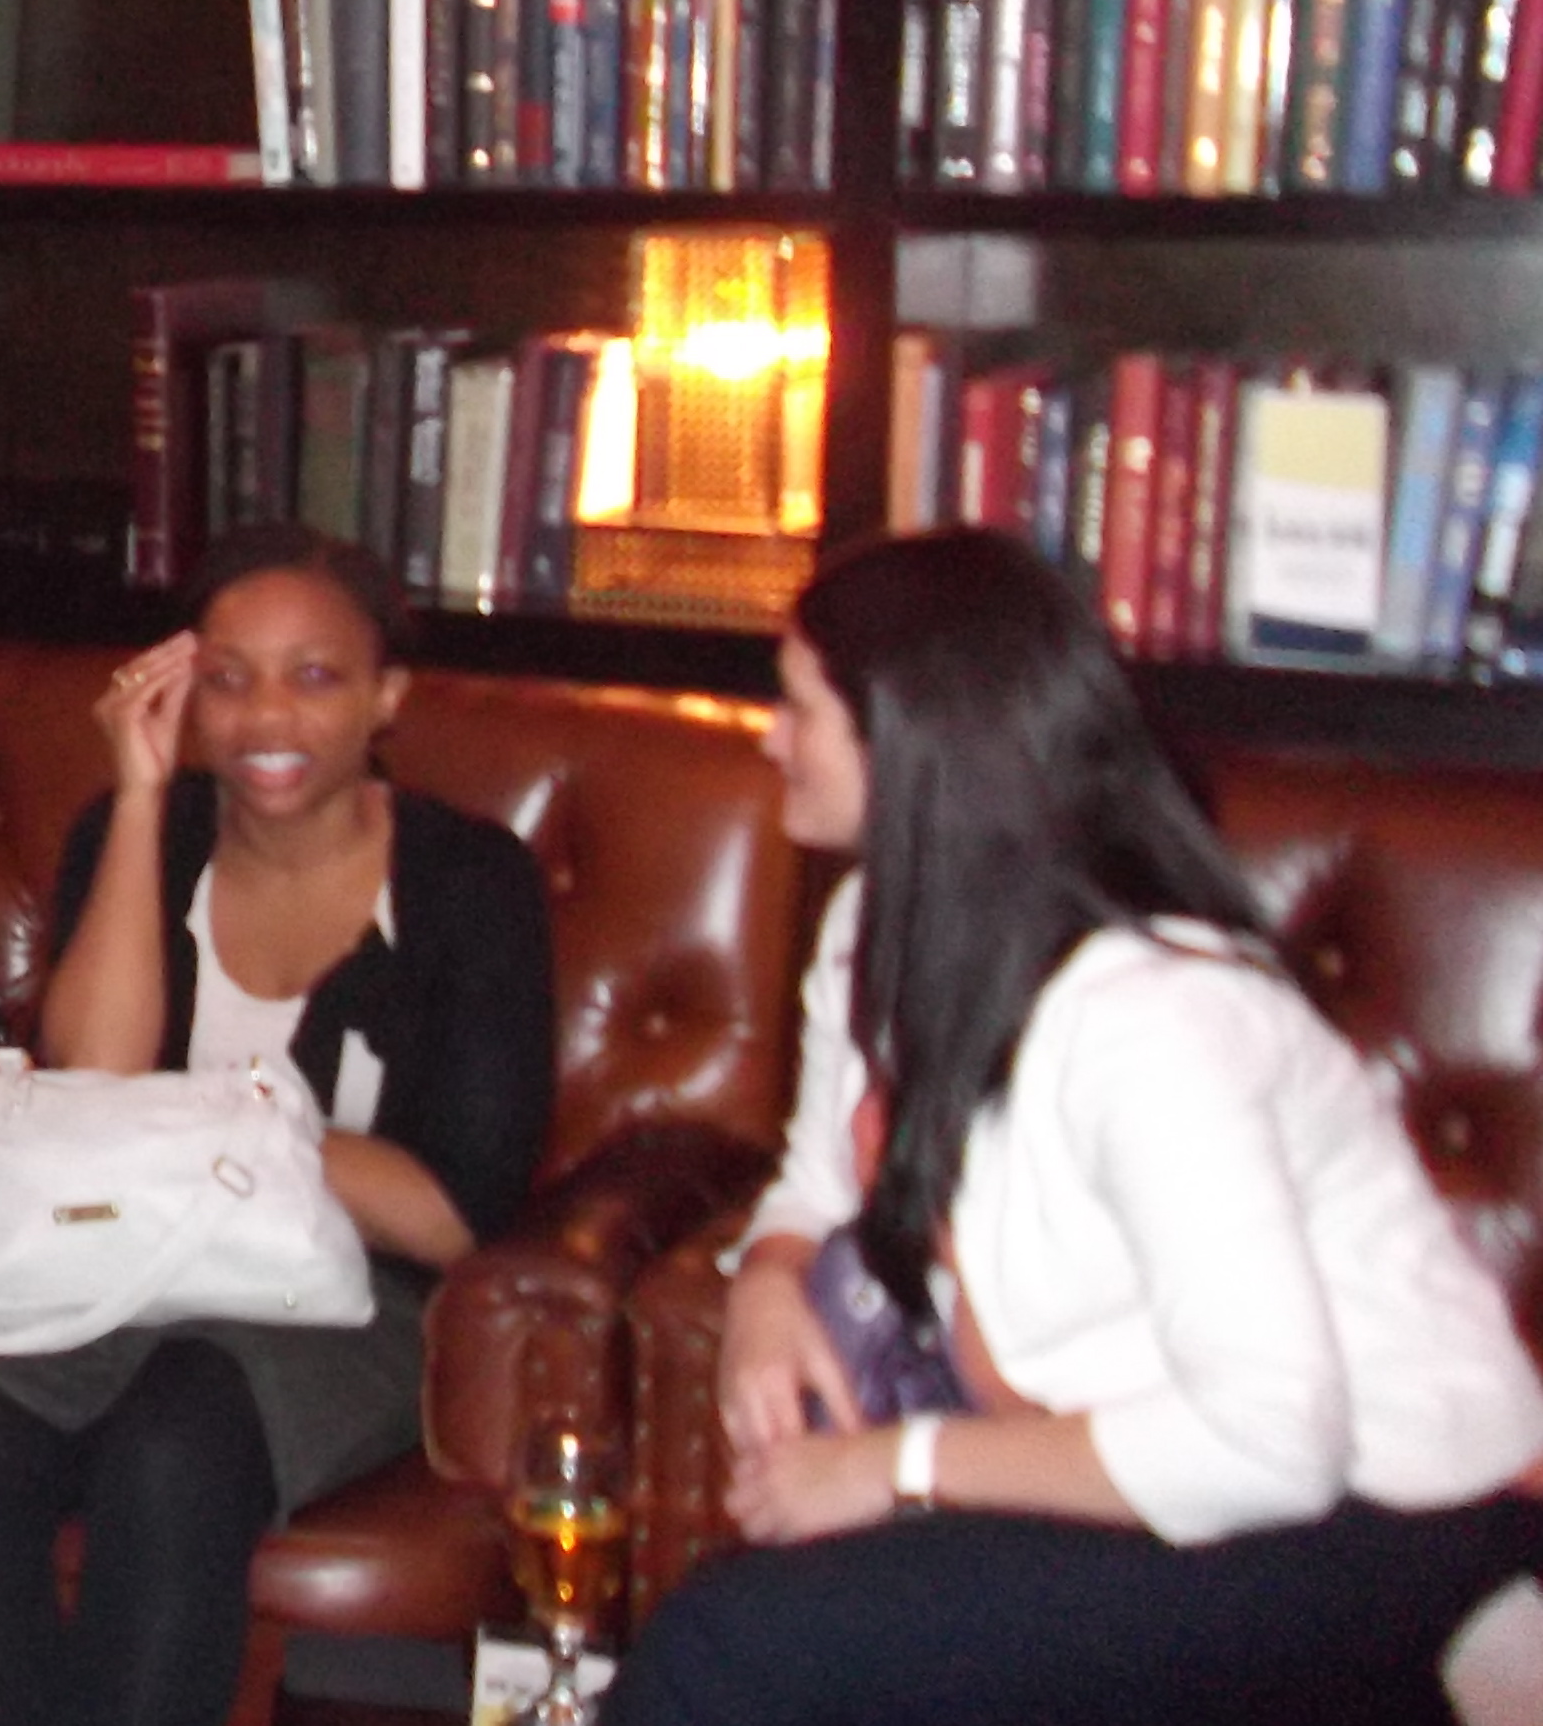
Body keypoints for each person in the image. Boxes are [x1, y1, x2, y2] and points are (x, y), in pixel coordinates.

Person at [620, 529, 1543, 1725]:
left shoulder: (1149, 1021)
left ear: (913, 741)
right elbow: (814, 1183)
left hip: (1380, 1506)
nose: (768, 738)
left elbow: (1272, 1440)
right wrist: (767, 1284)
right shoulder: (873, 927)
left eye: (796, 708)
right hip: (1145, 1465)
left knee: (732, 1647)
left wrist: (893, 1467)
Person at [0, 522, 556, 1726]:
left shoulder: (469, 882)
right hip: (111, 1259)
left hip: (347, 1298)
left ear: (386, 696)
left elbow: (449, 1214)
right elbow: (93, 1080)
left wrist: (221, 1136)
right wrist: (144, 798)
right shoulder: (139, 831)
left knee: (178, 1436)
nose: (266, 718)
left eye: (317, 677)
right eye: (229, 679)